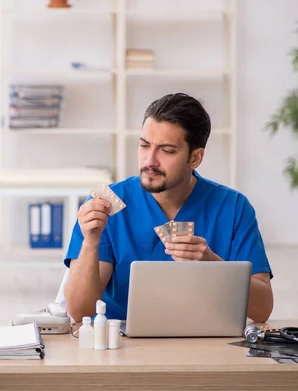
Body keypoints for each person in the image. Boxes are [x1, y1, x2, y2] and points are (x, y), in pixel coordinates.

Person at [63, 92, 274, 324]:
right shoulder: (106, 207)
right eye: (144, 146)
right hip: (120, 344)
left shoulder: (233, 208)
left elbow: (262, 310)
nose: (149, 161)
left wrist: (213, 267)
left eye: (167, 150)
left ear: (195, 158)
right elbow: (80, 312)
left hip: (205, 344)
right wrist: (90, 242)